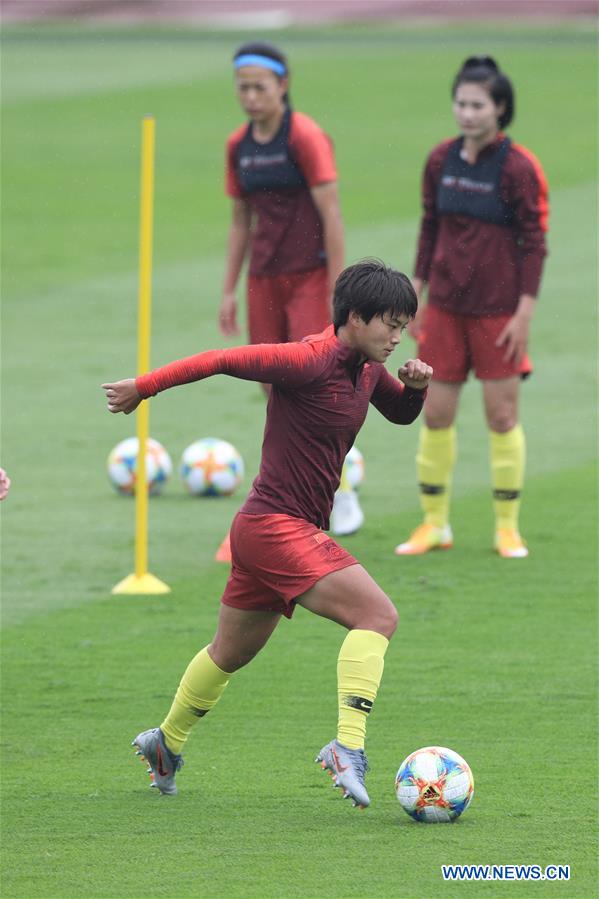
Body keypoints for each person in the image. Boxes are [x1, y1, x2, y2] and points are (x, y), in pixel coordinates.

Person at [102, 260, 432, 808]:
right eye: (390, 324)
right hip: (278, 527)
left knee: (228, 654)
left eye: (403, 327)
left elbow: (399, 413)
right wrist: (143, 387)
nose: (398, 337)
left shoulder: (368, 368)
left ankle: (166, 742)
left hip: (263, 530)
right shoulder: (306, 360)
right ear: (355, 317)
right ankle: (347, 747)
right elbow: (219, 360)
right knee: (378, 617)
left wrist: (416, 390)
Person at [396, 56, 548, 560]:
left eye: (477, 105)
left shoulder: (518, 167)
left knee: (501, 416)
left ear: (500, 108)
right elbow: (429, 226)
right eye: (460, 103)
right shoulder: (440, 160)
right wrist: (416, 291)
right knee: (435, 414)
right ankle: (434, 524)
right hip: (443, 310)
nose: (466, 113)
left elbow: (535, 243)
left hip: (498, 314)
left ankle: (507, 528)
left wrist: (524, 314)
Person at [219, 40, 362, 538]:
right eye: (243, 88)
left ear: (283, 85)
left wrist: (340, 290)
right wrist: (228, 289)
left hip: (310, 277)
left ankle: (341, 491)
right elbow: (240, 221)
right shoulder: (238, 145)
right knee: (271, 385)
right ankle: (294, 492)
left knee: (314, 383)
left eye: (259, 87)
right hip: (263, 280)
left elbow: (332, 214)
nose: (250, 97)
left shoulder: (305, 137)